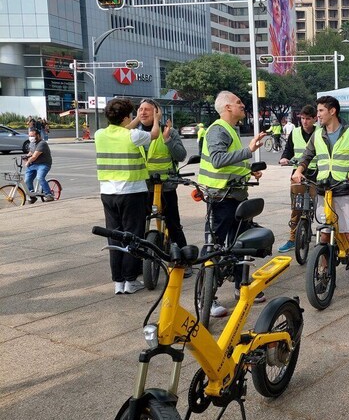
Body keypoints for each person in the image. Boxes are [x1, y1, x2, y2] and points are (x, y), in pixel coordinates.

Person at [292, 95, 349, 297]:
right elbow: (306, 156)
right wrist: (299, 170)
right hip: (323, 191)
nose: (317, 115)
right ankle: (324, 273)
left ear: (332, 111)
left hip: (344, 191)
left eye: (320, 111)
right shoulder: (317, 135)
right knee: (324, 235)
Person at [199, 91, 268, 316]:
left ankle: (241, 286)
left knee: (240, 244)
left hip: (235, 196)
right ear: (227, 107)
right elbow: (218, 160)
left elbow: (231, 163)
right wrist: (249, 151)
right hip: (221, 199)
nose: (242, 105)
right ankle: (206, 298)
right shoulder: (218, 129)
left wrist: (248, 170)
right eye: (238, 103)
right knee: (214, 247)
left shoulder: (231, 130)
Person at [95, 99, 160, 295]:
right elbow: (155, 134)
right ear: (125, 118)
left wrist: (134, 121)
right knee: (133, 235)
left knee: (114, 236)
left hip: (108, 193)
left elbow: (122, 129)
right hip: (131, 192)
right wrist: (155, 119)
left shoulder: (100, 134)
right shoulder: (134, 136)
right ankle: (131, 280)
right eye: (131, 116)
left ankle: (118, 282)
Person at [137, 99, 188, 252]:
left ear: (157, 113)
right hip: (141, 187)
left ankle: (183, 260)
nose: (143, 112)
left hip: (166, 187)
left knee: (173, 225)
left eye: (147, 109)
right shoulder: (134, 133)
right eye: (140, 109)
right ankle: (139, 262)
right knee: (138, 226)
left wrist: (167, 140)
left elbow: (181, 156)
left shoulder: (168, 131)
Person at [278, 105, 317, 253]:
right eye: (302, 118)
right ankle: (293, 239)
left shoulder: (320, 133)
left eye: (308, 118)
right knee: (296, 208)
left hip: (317, 174)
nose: (305, 121)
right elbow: (288, 150)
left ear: (314, 119)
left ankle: (322, 235)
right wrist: (284, 158)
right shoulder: (294, 133)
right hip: (298, 174)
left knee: (320, 207)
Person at [23, 127, 54, 200]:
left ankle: (49, 194)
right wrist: (26, 157)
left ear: (38, 135)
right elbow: (31, 152)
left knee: (40, 178)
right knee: (27, 180)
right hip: (33, 164)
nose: (31, 137)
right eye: (30, 136)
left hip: (43, 164)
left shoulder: (42, 143)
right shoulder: (32, 143)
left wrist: (28, 161)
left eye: (33, 136)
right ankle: (32, 195)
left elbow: (34, 156)